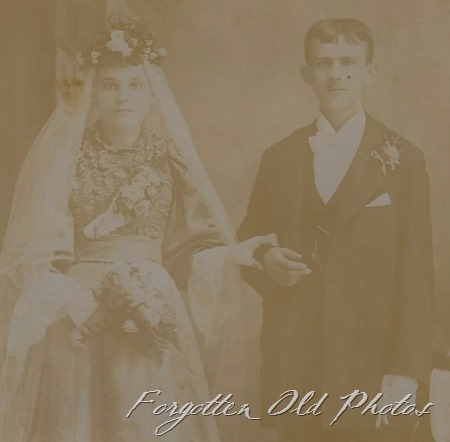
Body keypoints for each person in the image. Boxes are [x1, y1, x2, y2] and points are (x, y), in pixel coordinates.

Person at [0, 16, 270, 442]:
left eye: (134, 85)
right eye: (110, 85)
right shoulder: (67, 162)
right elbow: (38, 252)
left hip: (151, 304)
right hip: (80, 312)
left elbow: (187, 248)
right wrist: (77, 303)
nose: (123, 96)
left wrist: (229, 255)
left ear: (151, 94)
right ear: (92, 93)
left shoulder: (168, 161)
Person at [238, 18, 435, 442]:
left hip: (373, 362)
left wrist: (406, 369)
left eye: (349, 62)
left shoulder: (404, 159)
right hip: (299, 359)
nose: (336, 74)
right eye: (323, 63)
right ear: (306, 74)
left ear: (369, 72)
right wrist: (267, 259)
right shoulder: (279, 157)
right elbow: (248, 243)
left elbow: (417, 277)